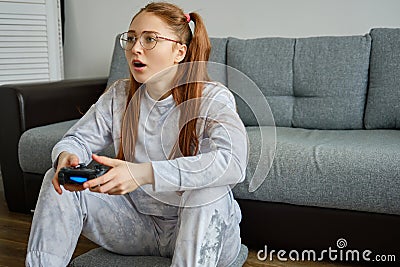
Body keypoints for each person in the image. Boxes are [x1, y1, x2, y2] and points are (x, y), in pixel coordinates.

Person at [26, 2, 248, 266]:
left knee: (207, 191)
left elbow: (231, 162)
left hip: (204, 231)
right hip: (140, 227)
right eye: (131, 38)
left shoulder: (212, 97)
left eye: (150, 39)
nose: (135, 48)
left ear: (179, 51)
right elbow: (77, 138)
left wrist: (142, 173)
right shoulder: (119, 95)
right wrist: (67, 154)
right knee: (57, 177)